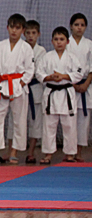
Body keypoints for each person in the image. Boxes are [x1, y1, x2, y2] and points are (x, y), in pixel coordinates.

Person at [0, 14, 35, 165]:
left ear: (22, 30)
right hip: (3, 85)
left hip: (18, 86)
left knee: (19, 120)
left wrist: (21, 84)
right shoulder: (0, 46)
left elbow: (30, 69)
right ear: (7, 28)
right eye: (12, 27)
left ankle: (14, 151)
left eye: (18, 28)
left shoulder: (26, 47)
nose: (14, 31)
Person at [37, 27, 84, 164]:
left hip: (66, 94)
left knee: (69, 125)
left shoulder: (72, 58)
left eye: (62, 39)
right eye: (56, 39)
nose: (59, 42)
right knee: (49, 125)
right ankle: (48, 154)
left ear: (67, 41)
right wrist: (50, 77)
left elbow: (79, 74)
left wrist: (63, 76)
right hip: (51, 93)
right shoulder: (46, 57)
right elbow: (39, 73)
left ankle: (70, 154)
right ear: (52, 41)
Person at [66, 13, 92, 160]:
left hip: (86, 85)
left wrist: (86, 83)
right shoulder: (66, 43)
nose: (79, 28)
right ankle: (69, 152)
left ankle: (79, 152)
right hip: (69, 85)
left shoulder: (89, 44)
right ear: (71, 26)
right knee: (69, 121)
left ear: (86, 27)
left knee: (83, 121)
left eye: (82, 25)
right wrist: (73, 84)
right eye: (76, 24)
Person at [23, 20, 46, 163]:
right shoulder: (21, 48)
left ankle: (31, 152)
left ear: (38, 34)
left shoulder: (41, 51)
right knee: (16, 121)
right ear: (24, 33)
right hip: (20, 87)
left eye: (33, 33)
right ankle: (11, 151)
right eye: (28, 33)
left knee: (35, 122)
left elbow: (38, 72)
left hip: (35, 88)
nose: (31, 36)